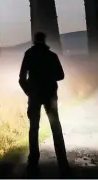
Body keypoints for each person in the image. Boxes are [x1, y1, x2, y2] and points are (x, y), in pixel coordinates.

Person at [19, 31, 70, 178]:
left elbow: (21, 78)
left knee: (34, 127)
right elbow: (61, 75)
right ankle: (63, 162)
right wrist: (48, 78)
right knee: (56, 127)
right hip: (50, 95)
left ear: (34, 40)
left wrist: (29, 92)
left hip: (34, 96)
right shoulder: (52, 55)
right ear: (44, 39)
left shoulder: (29, 54)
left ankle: (33, 161)